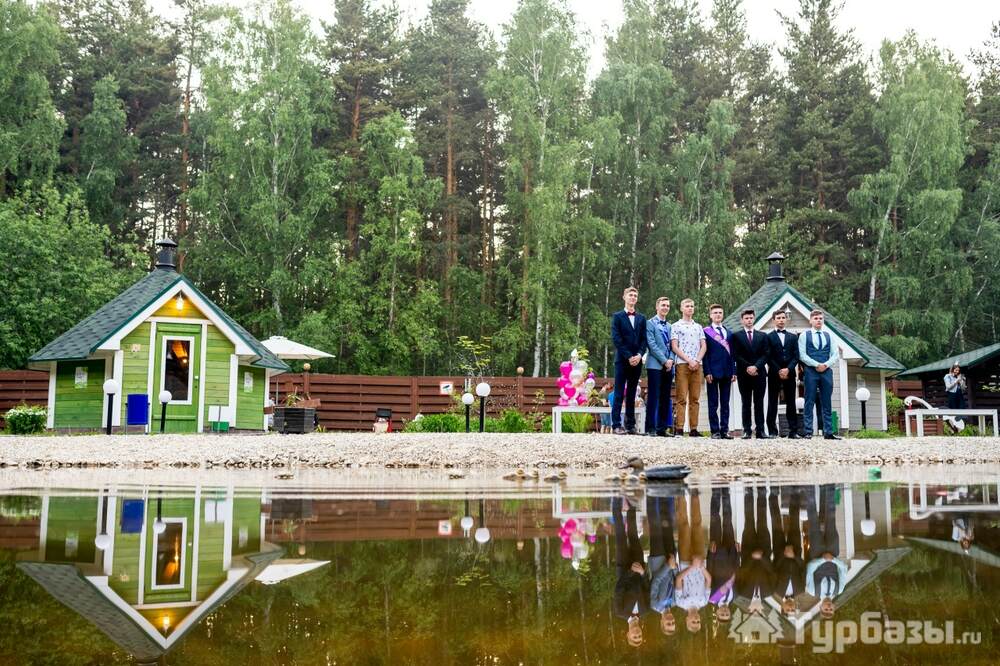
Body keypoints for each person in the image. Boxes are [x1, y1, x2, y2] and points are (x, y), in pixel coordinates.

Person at [804, 484, 849, 619]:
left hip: (817, 552)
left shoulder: (812, 591)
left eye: (826, 609)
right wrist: (833, 559)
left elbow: (810, 569)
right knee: (831, 518)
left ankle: (809, 488)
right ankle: (830, 487)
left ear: (820, 607)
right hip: (833, 551)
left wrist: (823, 559)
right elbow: (844, 569)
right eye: (831, 609)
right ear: (834, 607)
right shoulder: (839, 589)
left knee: (813, 521)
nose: (829, 607)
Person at [798, 309, 842, 440]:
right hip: (810, 371)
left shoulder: (829, 336)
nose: (818, 320)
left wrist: (826, 365)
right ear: (810, 321)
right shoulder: (804, 335)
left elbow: (835, 355)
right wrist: (816, 365)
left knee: (826, 401)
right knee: (809, 401)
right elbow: (802, 355)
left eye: (820, 318)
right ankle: (808, 431)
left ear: (823, 320)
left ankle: (828, 432)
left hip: (826, 371)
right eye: (816, 318)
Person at [610, 287, 648, 435]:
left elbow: (644, 339)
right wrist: (629, 356)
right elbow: (616, 339)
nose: (633, 297)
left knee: (632, 394)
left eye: (635, 296)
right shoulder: (617, 316)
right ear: (624, 297)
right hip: (622, 360)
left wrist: (639, 355)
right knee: (619, 393)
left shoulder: (641, 318)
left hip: (637, 361)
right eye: (630, 295)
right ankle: (616, 425)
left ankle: (630, 425)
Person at [730, 309, 770, 439]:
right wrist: (748, 367)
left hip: (759, 373)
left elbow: (766, 354)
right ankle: (747, 430)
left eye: (751, 318)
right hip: (744, 373)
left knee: (759, 403)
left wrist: (756, 366)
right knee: (746, 403)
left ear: (754, 319)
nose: (749, 320)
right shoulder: (736, 336)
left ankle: (760, 431)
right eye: (746, 318)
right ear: (742, 320)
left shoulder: (762, 336)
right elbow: (736, 355)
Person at [670, 299, 707, 437]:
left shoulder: (698, 326)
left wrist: (697, 360)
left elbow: (703, 346)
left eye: (692, 306)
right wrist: (689, 360)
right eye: (687, 306)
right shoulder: (676, 326)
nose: (690, 308)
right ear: (681, 308)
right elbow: (674, 346)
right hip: (682, 364)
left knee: (695, 398)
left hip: (697, 365)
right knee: (681, 397)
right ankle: (679, 428)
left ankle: (693, 429)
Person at [736, 486, 774, 610]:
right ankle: (762, 493)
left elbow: (741, 572)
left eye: (753, 611)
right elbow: (771, 571)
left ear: (749, 609)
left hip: (748, 551)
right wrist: (761, 557)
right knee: (762, 521)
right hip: (764, 550)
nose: (756, 610)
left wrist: (752, 557)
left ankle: (748, 492)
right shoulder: (769, 592)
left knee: (749, 521)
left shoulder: (742, 593)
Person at [646, 494, 679, 636]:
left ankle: (651, 494)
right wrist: (674, 567)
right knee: (667, 525)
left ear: (662, 622)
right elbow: (677, 580)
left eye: (668, 624)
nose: (671, 621)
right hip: (671, 559)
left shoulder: (655, 605)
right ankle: (665, 492)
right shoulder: (675, 602)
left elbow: (656, 581)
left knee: (655, 525)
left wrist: (667, 566)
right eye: (673, 623)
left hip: (658, 559)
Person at [770, 487, 805, 614]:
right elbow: (803, 568)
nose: (790, 607)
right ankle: (795, 493)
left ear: (782, 607)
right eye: (793, 609)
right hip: (795, 550)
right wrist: (794, 555)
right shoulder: (801, 589)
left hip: (779, 552)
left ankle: (773, 494)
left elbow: (774, 568)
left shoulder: (776, 591)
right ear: (795, 606)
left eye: (788, 609)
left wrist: (784, 555)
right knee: (794, 521)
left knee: (776, 522)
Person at [703, 305, 737, 439]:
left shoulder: (729, 333)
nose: (718, 314)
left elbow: (732, 354)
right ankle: (715, 431)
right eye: (715, 312)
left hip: (727, 371)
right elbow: (705, 354)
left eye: (720, 312)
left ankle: (724, 430)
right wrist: (707, 372)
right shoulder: (706, 332)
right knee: (713, 403)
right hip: (712, 371)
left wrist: (734, 371)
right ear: (711, 315)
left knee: (725, 403)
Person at [645, 297, 677, 437]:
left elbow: (674, 345)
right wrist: (664, 360)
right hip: (655, 364)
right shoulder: (650, 323)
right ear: (657, 307)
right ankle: (650, 427)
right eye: (663, 305)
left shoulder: (670, 326)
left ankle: (662, 428)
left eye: (668, 306)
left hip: (669, 365)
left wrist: (671, 359)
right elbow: (651, 344)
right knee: (653, 396)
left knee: (665, 396)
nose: (665, 308)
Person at [766, 311, 801, 438]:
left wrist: (788, 369)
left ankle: (793, 431)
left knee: (791, 402)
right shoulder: (768, 337)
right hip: (774, 373)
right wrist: (779, 370)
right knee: (772, 401)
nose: (781, 320)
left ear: (786, 319)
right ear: (773, 320)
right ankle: (772, 431)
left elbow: (796, 356)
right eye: (778, 318)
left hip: (790, 373)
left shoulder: (793, 337)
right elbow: (768, 356)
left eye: (783, 317)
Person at [707, 487, 738, 622]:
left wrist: (710, 554)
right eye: (727, 614)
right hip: (731, 553)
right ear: (730, 613)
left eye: (722, 614)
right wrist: (738, 553)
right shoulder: (735, 596)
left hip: (717, 555)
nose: (725, 612)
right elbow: (737, 572)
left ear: (717, 613)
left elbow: (709, 573)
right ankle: (726, 492)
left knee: (715, 519)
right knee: (728, 521)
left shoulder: (713, 599)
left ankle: (715, 492)